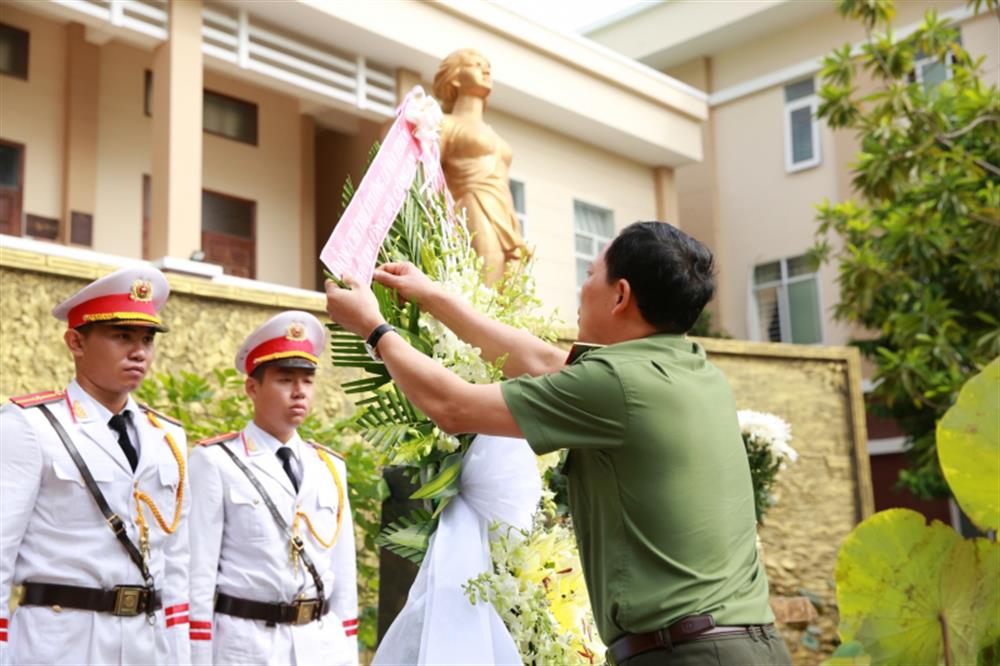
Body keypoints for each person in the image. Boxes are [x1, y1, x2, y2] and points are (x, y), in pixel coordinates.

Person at [325, 221, 792, 665]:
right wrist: (434, 296)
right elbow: (542, 360)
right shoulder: (694, 369)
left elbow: (452, 406)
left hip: (690, 657)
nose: (582, 288)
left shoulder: (617, 385)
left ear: (621, 295)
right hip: (753, 645)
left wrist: (373, 329)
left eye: (591, 275)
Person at [0, 266, 191, 665]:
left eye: (147, 338)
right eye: (122, 336)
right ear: (76, 342)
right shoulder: (30, 425)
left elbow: (176, 565)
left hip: (147, 644)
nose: (139, 351)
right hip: (61, 643)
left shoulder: (168, 437)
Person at [187, 311, 358, 666]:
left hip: (320, 644)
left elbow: (344, 576)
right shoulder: (216, 461)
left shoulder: (329, 467)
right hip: (248, 645)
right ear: (253, 387)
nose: (299, 392)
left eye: (308, 381)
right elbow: (198, 576)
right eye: (285, 380)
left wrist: (346, 651)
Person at [433, 48, 529, 285]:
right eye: (475, 64)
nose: (486, 69)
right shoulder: (444, 124)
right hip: (473, 207)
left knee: (513, 297)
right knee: (484, 286)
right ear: (454, 77)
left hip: (506, 216)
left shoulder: (492, 133)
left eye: (487, 65)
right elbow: (428, 177)